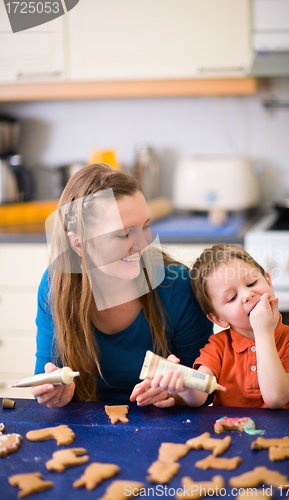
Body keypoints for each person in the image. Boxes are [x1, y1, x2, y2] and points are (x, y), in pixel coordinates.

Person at [33, 163, 213, 408]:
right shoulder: (56, 285)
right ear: (78, 244)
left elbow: (206, 389)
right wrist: (55, 394)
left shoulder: (178, 286)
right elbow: (44, 380)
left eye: (145, 227)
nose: (142, 244)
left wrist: (175, 393)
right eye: (123, 234)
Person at [150, 244, 289, 409]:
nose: (247, 295)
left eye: (251, 283)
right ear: (218, 319)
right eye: (232, 298)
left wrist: (263, 332)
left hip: (283, 437)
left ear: (268, 281)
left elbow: (275, 398)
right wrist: (182, 383)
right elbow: (199, 395)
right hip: (230, 435)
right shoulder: (218, 347)